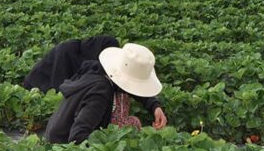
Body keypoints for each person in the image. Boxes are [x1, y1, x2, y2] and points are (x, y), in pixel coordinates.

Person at [24, 35, 168, 128]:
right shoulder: (66, 56)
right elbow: (60, 94)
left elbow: (128, 81)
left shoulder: (94, 66)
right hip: (39, 87)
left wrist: (154, 106)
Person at [45, 43, 165, 143]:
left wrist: (154, 106)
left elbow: (129, 85)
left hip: (56, 130)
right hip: (62, 145)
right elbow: (77, 137)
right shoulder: (100, 94)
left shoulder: (99, 71)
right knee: (134, 123)